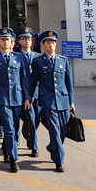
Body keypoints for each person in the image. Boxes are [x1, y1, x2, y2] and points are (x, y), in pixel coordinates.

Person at [0, 27, 31, 173]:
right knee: (9, 129)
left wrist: (26, 98)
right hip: (2, 98)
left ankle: (6, 149)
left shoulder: (19, 57)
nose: (6, 42)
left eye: (8, 40)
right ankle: (13, 159)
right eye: (3, 40)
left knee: (15, 128)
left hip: (17, 98)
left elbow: (24, 80)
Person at [29, 30, 75, 173]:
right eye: (48, 42)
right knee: (54, 131)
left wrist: (71, 102)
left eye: (53, 42)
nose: (51, 45)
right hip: (48, 101)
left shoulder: (63, 60)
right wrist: (29, 96)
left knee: (63, 130)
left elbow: (69, 84)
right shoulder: (37, 62)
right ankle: (59, 161)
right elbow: (32, 82)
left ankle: (52, 147)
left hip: (63, 100)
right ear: (43, 45)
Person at [16, 26, 40, 157]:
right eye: (24, 39)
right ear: (19, 41)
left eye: (29, 38)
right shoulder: (16, 57)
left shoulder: (38, 57)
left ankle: (30, 138)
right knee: (26, 118)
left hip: (36, 95)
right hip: (20, 94)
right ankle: (34, 146)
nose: (27, 41)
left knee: (35, 120)